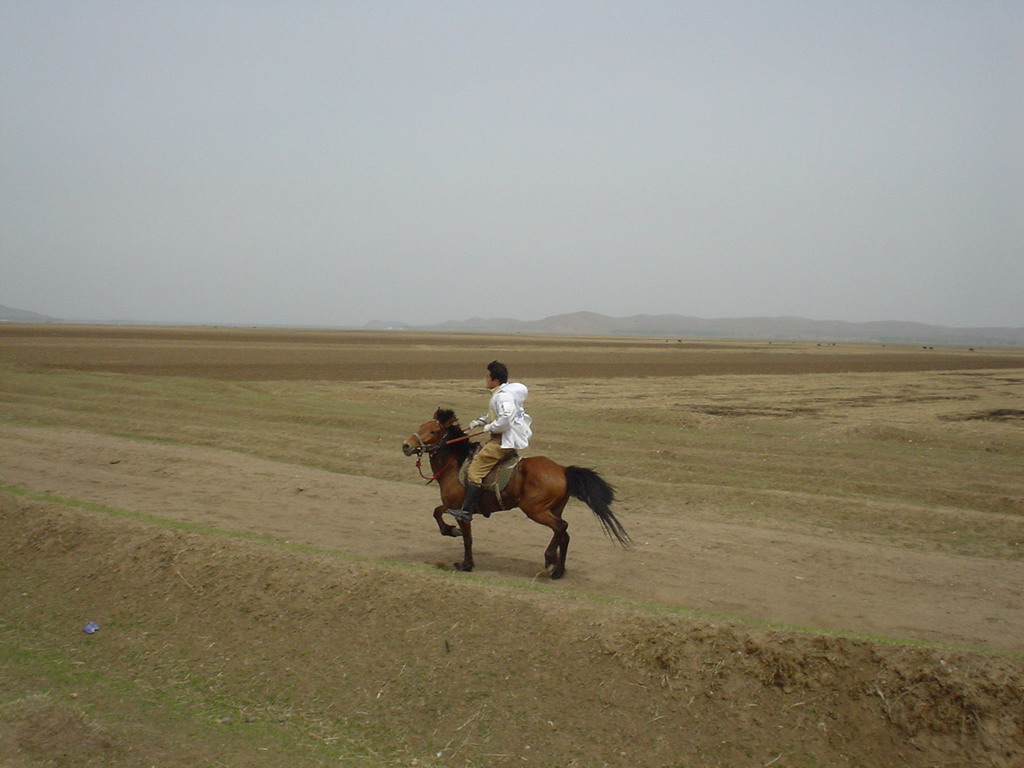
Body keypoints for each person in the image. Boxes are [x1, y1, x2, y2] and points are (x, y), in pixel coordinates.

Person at [448, 360, 532, 522]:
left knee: (474, 471)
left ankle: (466, 512)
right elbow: (497, 413)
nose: (485, 379)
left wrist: (491, 427)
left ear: (495, 380)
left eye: (487, 376)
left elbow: (506, 417)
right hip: (503, 437)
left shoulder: (502, 397)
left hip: (502, 441)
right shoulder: (502, 394)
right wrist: (480, 421)